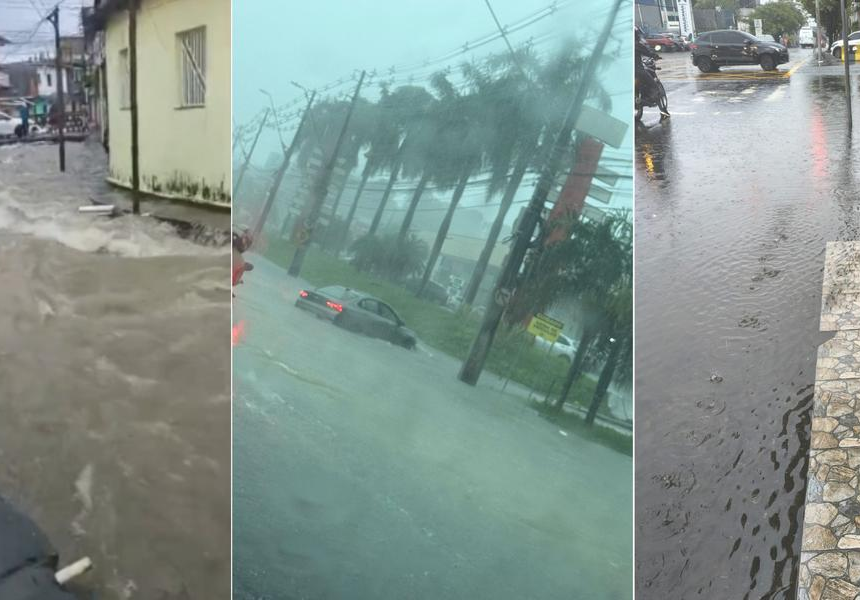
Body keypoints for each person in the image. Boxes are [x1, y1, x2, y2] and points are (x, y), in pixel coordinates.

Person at [636, 27, 668, 118]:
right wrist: (656, 56)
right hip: (638, 71)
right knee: (654, 86)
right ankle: (663, 111)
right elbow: (648, 52)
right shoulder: (637, 45)